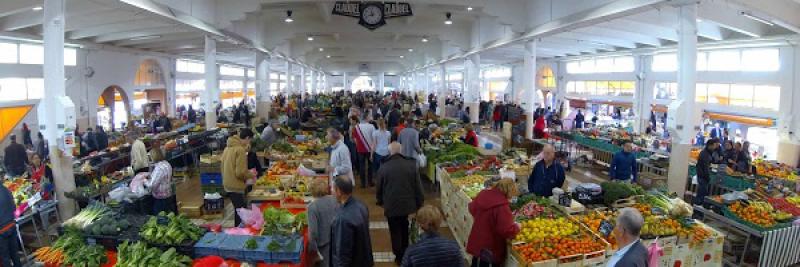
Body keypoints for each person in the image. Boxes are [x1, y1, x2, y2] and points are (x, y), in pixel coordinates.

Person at [376, 142, 424, 264]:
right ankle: (405, 251)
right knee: (404, 226)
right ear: (401, 151)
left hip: (391, 205)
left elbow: (379, 187)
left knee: (394, 230)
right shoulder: (411, 164)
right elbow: (418, 186)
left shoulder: (383, 167)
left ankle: (398, 255)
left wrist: (380, 201)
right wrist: (419, 203)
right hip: (408, 205)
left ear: (390, 152)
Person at [466, 179, 520, 266]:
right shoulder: (502, 207)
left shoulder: (482, 194)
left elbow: (471, 208)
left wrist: (483, 219)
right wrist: (517, 227)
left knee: (477, 262)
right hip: (491, 247)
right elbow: (506, 230)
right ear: (509, 191)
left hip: (478, 240)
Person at [330, 176, 374, 267]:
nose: (331, 192)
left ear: (339, 191)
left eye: (333, 189)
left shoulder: (343, 219)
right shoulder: (361, 205)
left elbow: (343, 252)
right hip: (364, 259)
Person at [221, 128, 257, 226]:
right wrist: (251, 174)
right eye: (249, 140)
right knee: (241, 211)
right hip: (235, 184)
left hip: (227, 182)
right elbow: (240, 172)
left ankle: (237, 230)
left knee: (238, 210)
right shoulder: (240, 150)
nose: (249, 143)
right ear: (247, 138)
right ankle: (239, 233)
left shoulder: (228, 147)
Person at [307, 178, 338, 267]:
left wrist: (313, 249)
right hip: (336, 239)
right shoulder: (334, 199)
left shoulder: (312, 207)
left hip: (323, 245)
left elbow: (313, 232)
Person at [146, 147, 174, 215]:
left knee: (160, 217)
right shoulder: (166, 163)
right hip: (168, 193)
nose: (150, 158)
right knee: (169, 214)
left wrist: (144, 180)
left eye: (150, 156)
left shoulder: (159, 168)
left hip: (161, 197)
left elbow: (152, 185)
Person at [350, 116, 376, 188]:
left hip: (360, 149)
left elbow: (354, 139)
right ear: (367, 119)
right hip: (370, 149)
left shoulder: (356, 127)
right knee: (370, 166)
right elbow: (374, 138)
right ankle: (370, 182)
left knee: (362, 166)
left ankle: (363, 183)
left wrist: (358, 145)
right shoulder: (371, 126)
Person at [0, 179, 20, 267]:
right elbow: (14, 208)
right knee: (15, 255)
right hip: (11, 226)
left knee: (5, 258)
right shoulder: (6, 190)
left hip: (1, 231)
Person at [695, 139, 719, 206]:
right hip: (703, 176)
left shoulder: (707, 152)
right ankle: (697, 210)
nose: (715, 147)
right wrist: (708, 177)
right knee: (701, 194)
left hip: (702, 176)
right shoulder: (705, 154)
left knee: (701, 193)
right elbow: (705, 167)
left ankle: (698, 209)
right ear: (710, 145)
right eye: (714, 145)